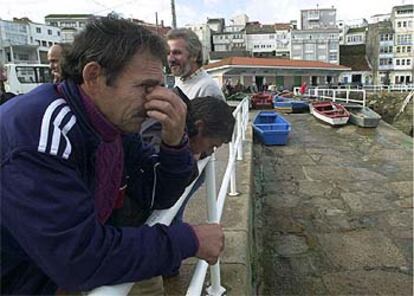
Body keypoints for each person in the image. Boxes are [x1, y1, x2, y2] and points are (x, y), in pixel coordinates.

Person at [0, 17, 224, 295]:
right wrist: (187, 240)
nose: (155, 98)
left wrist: (175, 142)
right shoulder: (40, 134)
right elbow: (77, 257)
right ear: (94, 76)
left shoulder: (111, 123)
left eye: (159, 86)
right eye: (146, 86)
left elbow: (155, 195)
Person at [166, 28, 225, 101]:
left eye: (177, 53)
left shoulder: (207, 89)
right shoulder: (180, 82)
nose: (171, 59)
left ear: (194, 55)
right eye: (168, 53)